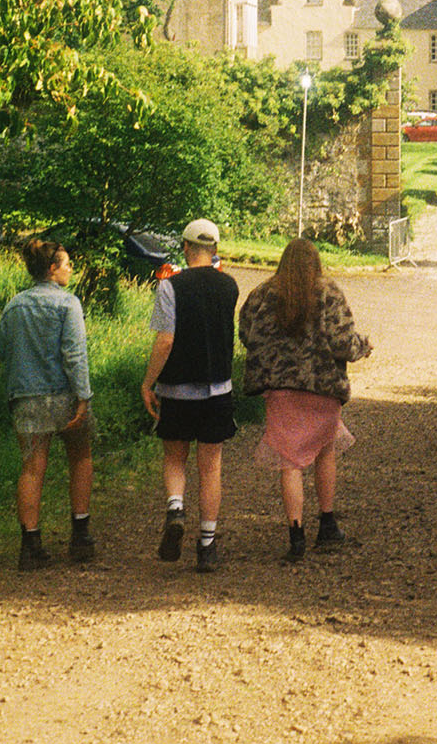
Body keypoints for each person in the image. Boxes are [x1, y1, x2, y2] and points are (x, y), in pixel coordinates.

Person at [238, 237, 372, 562]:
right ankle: (327, 524)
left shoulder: (262, 294)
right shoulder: (329, 292)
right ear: (316, 263)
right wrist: (363, 346)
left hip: (280, 389)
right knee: (325, 450)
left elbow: (246, 335)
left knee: (290, 462)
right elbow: (342, 342)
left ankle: (296, 536)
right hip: (322, 387)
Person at [0, 238, 94, 571]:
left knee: (32, 468)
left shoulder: (15, 305)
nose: (71, 269)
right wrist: (83, 396)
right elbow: (74, 354)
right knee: (81, 457)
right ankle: (80, 536)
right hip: (64, 396)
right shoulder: (68, 304)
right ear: (52, 269)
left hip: (26, 398)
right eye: (67, 264)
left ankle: (30, 545)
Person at [142, 219, 241, 573]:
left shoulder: (170, 286)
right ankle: (207, 545)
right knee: (210, 467)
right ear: (214, 249)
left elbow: (165, 340)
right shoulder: (229, 286)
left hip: (176, 388)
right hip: (217, 387)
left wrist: (148, 382)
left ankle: (175, 508)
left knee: (174, 457)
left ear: (185, 247)